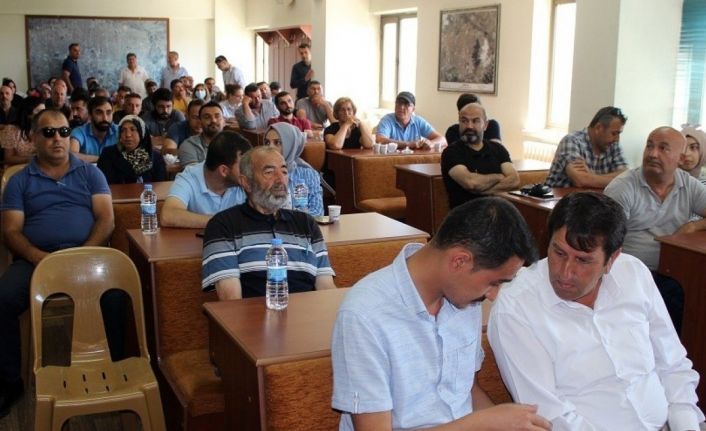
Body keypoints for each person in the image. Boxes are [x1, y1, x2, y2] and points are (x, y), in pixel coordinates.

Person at [489, 192, 705, 431]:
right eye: (559, 253)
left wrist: (686, 425)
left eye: (583, 260)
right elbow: (549, 415)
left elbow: (672, 364)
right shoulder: (517, 307)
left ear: (612, 259)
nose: (565, 272)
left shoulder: (633, 273)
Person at [331, 197, 549, 431]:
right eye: (494, 282)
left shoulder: (465, 298)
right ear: (459, 261)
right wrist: (485, 423)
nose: (493, 295)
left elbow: (468, 391)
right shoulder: (365, 315)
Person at [0, 109, 114, 418]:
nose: (58, 139)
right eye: (48, 133)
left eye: (64, 132)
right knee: (3, 299)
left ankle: (110, 369)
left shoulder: (90, 174)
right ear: (33, 138)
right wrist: (38, 257)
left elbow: (106, 220)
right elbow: (11, 231)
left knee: (117, 294)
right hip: (36, 259)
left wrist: (82, 254)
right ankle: (10, 381)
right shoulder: (19, 181)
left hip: (84, 255)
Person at [604, 126, 706, 334]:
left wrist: (694, 226)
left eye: (663, 148)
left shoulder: (688, 184)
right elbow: (605, 242)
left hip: (673, 272)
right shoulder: (623, 187)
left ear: (680, 159)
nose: (652, 154)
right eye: (649, 146)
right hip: (629, 274)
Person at [201, 145, 336, 300]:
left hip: (309, 312)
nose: (280, 179)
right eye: (269, 172)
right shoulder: (223, 225)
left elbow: (326, 288)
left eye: (284, 171)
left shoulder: (306, 223)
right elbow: (231, 300)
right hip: (255, 314)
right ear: (246, 183)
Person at [161, 130, 251, 228]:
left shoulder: (247, 179)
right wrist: (222, 222)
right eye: (243, 165)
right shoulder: (189, 178)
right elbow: (168, 216)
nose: (249, 170)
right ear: (224, 171)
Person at [441, 103, 519, 208]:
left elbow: (514, 180)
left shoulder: (498, 149)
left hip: (498, 212)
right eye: (464, 121)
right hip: (466, 214)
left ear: (485, 125)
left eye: (475, 121)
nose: (469, 126)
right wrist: (498, 177)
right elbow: (471, 183)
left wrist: (481, 190)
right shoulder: (451, 152)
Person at [545, 106, 628, 188]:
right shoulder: (572, 141)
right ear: (598, 128)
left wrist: (591, 175)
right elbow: (581, 180)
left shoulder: (613, 145)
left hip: (590, 196)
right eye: (614, 133)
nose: (617, 139)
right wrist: (613, 178)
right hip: (557, 196)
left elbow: (626, 178)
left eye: (618, 134)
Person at [264, 122, 323, 216]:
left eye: (277, 142)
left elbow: (318, 212)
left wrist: (290, 219)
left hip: (301, 225)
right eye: (267, 142)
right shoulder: (260, 173)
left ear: (290, 145)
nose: (270, 147)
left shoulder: (308, 174)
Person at [97, 115, 167, 184]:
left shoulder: (156, 158)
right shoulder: (108, 155)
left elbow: (161, 187)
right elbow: (101, 184)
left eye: (133, 129)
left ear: (141, 133)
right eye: (123, 130)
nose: (128, 135)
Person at [376, 91, 446, 149]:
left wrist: (431, 143)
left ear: (413, 109)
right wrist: (407, 144)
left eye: (407, 104)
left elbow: (443, 139)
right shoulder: (387, 120)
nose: (401, 107)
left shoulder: (418, 121)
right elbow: (380, 140)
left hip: (413, 160)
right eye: (398, 103)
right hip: (391, 159)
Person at [69, 96, 119, 163]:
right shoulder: (79, 132)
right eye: (99, 113)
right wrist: (102, 159)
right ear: (90, 115)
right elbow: (71, 156)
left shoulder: (119, 131)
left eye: (108, 113)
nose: (105, 118)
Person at [178, 101, 226, 165]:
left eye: (217, 116)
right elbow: (194, 171)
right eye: (207, 117)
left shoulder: (234, 142)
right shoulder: (189, 145)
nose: (213, 120)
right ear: (200, 122)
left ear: (224, 121)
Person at [0, 96, 44, 165]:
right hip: (18, 167)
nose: (44, 115)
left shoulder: (44, 128)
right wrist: (32, 159)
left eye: (44, 111)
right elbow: (8, 158)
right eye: (39, 111)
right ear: (28, 113)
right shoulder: (11, 130)